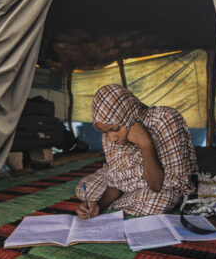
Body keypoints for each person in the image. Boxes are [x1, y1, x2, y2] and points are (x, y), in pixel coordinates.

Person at [75, 84, 197, 218]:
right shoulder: (111, 134)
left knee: (160, 202)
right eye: (105, 132)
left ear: (128, 116)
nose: (111, 139)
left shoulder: (164, 120)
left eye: (115, 129)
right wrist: (99, 205)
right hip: (132, 182)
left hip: (159, 182)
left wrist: (146, 144)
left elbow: (157, 186)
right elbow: (118, 181)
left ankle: (128, 197)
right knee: (84, 188)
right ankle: (129, 195)